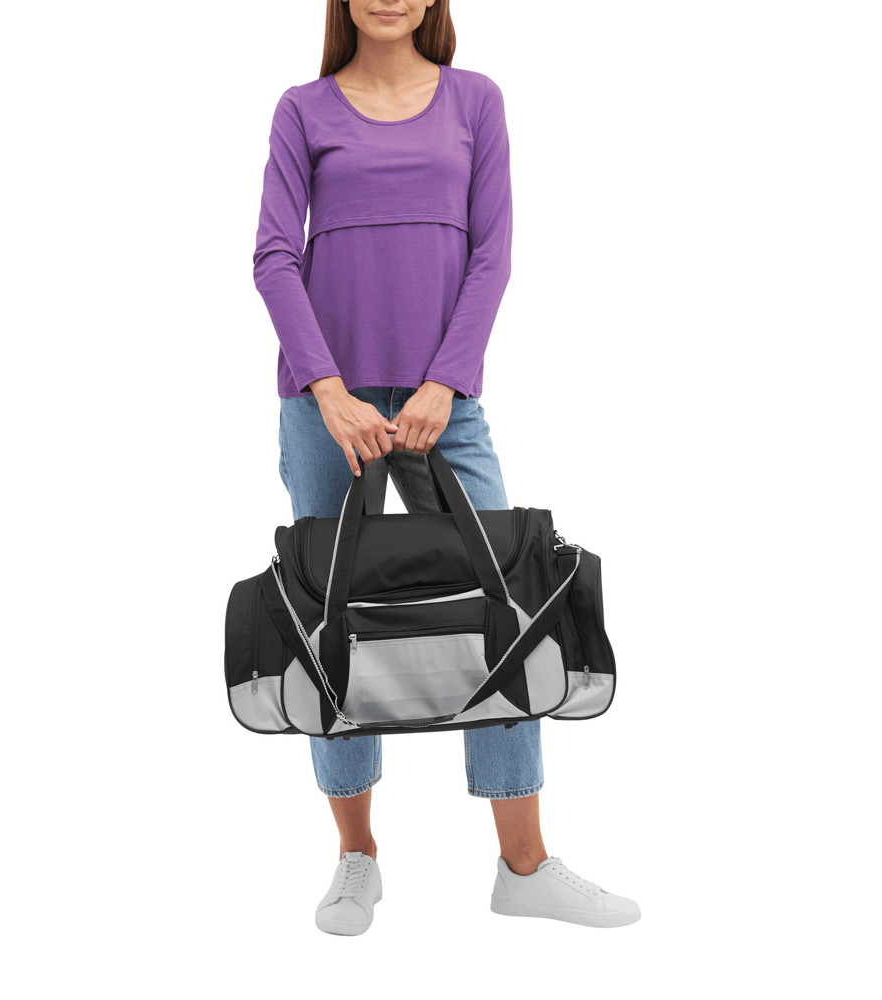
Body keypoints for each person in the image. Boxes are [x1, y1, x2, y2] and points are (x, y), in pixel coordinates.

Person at [252, 0, 640, 935]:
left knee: (504, 607)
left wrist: (444, 384)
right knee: (330, 614)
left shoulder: (476, 100)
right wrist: (328, 391)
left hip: (445, 402)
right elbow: (272, 257)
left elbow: (492, 253)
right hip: (326, 406)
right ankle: (356, 858)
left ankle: (524, 866)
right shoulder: (303, 109)